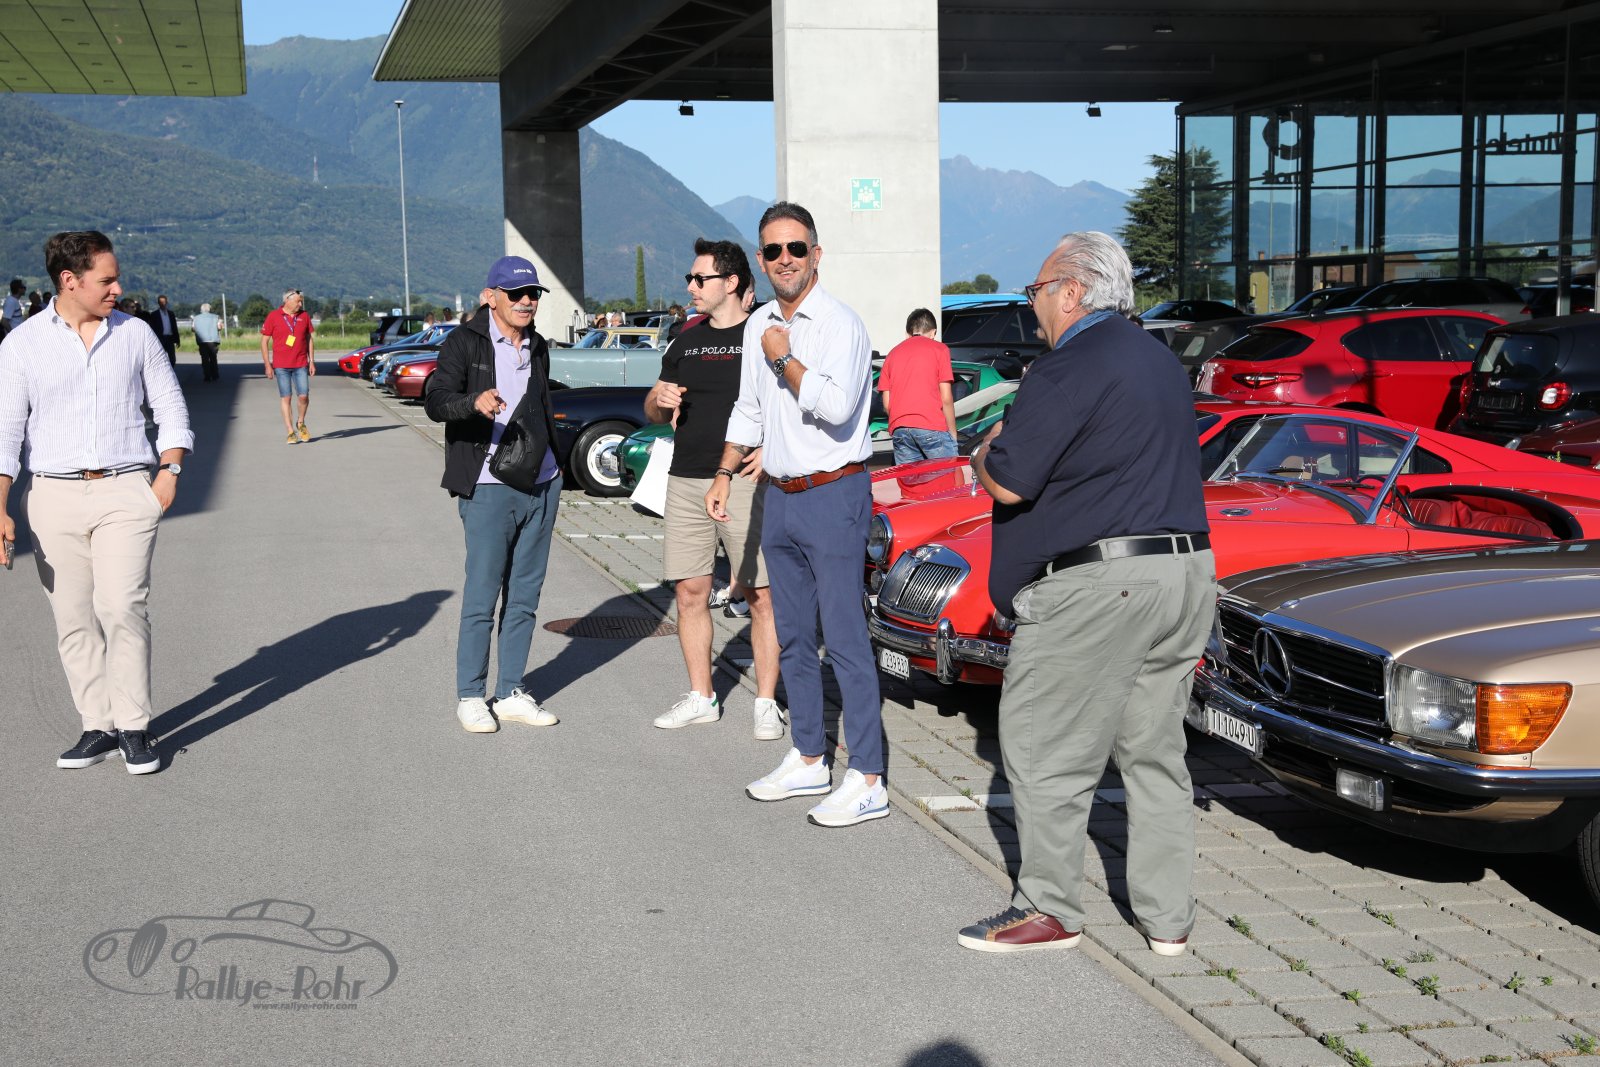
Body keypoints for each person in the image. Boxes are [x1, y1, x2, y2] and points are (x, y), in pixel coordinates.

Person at [956, 231, 1214, 954]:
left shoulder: (1068, 365)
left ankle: (1049, 909)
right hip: (1184, 572)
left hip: (1100, 585)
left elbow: (1010, 479)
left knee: (1045, 747)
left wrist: (983, 448)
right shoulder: (1159, 361)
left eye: (1036, 290)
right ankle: (1168, 920)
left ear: (1071, 292)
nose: (1032, 304)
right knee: (1155, 752)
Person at [706, 201, 886, 829]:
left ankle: (868, 776)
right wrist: (725, 471)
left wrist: (784, 358)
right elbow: (748, 407)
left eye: (797, 248)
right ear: (761, 259)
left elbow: (836, 408)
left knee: (845, 637)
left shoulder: (840, 324)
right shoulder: (759, 323)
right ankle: (810, 755)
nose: (786, 259)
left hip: (834, 494)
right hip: (777, 495)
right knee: (792, 636)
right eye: (774, 250)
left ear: (816, 253)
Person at [0, 230, 193, 775]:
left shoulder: (135, 335)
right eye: (106, 280)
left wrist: (170, 471)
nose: (118, 289)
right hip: (52, 495)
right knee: (72, 617)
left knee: (122, 605)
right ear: (69, 280)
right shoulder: (21, 345)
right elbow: (5, 431)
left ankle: (134, 726)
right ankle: (98, 725)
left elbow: (170, 407)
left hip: (125, 489)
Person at [644, 238, 782, 738]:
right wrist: (657, 399)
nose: (691, 287)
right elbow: (654, 410)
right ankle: (702, 696)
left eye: (700, 279)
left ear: (732, 282)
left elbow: (790, 400)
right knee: (689, 591)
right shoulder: (686, 338)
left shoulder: (764, 332)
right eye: (690, 278)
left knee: (762, 595)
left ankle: (766, 702)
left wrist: (773, 450)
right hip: (685, 478)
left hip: (744, 479)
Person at [424, 255, 563, 734]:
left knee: (524, 596)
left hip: (542, 482)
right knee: (483, 595)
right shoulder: (464, 342)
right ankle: (470, 695)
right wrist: (473, 402)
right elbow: (435, 401)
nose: (527, 301)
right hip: (487, 485)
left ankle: (510, 692)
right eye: (516, 293)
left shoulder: (537, 344)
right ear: (491, 297)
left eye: (533, 294)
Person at [877, 307, 957, 465]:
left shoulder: (892, 354)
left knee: (911, 480)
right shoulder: (940, 349)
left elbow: (887, 404)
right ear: (933, 333)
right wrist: (952, 433)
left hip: (900, 429)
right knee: (945, 478)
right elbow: (946, 398)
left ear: (907, 334)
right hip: (932, 426)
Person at [260, 288, 315, 444]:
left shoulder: (304, 316)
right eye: (298, 301)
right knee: (286, 397)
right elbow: (264, 342)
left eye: (301, 302)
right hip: (281, 366)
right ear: (287, 301)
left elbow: (309, 339)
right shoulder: (273, 316)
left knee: (303, 396)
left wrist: (311, 361)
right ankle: (290, 432)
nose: (300, 304)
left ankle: (301, 422)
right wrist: (267, 365)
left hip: (301, 363)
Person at [192, 302, 222, 382]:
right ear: (209, 309)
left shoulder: (196, 318)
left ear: (201, 310)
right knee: (213, 358)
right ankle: (215, 375)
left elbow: (193, 329)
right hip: (213, 341)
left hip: (202, 341)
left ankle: (207, 376)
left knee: (204, 359)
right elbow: (219, 327)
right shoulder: (216, 317)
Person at [147, 294, 180, 366]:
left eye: (164, 302)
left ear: (167, 302)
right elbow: (152, 328)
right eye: (161, 302)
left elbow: (174, 327)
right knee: (159, 357)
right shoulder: (154, 314)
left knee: (172, 359)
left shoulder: (171, 314)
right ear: (158, 303)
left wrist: (177, 340)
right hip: (160, 338)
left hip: (170, 338)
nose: (163, 304)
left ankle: (171, 370)